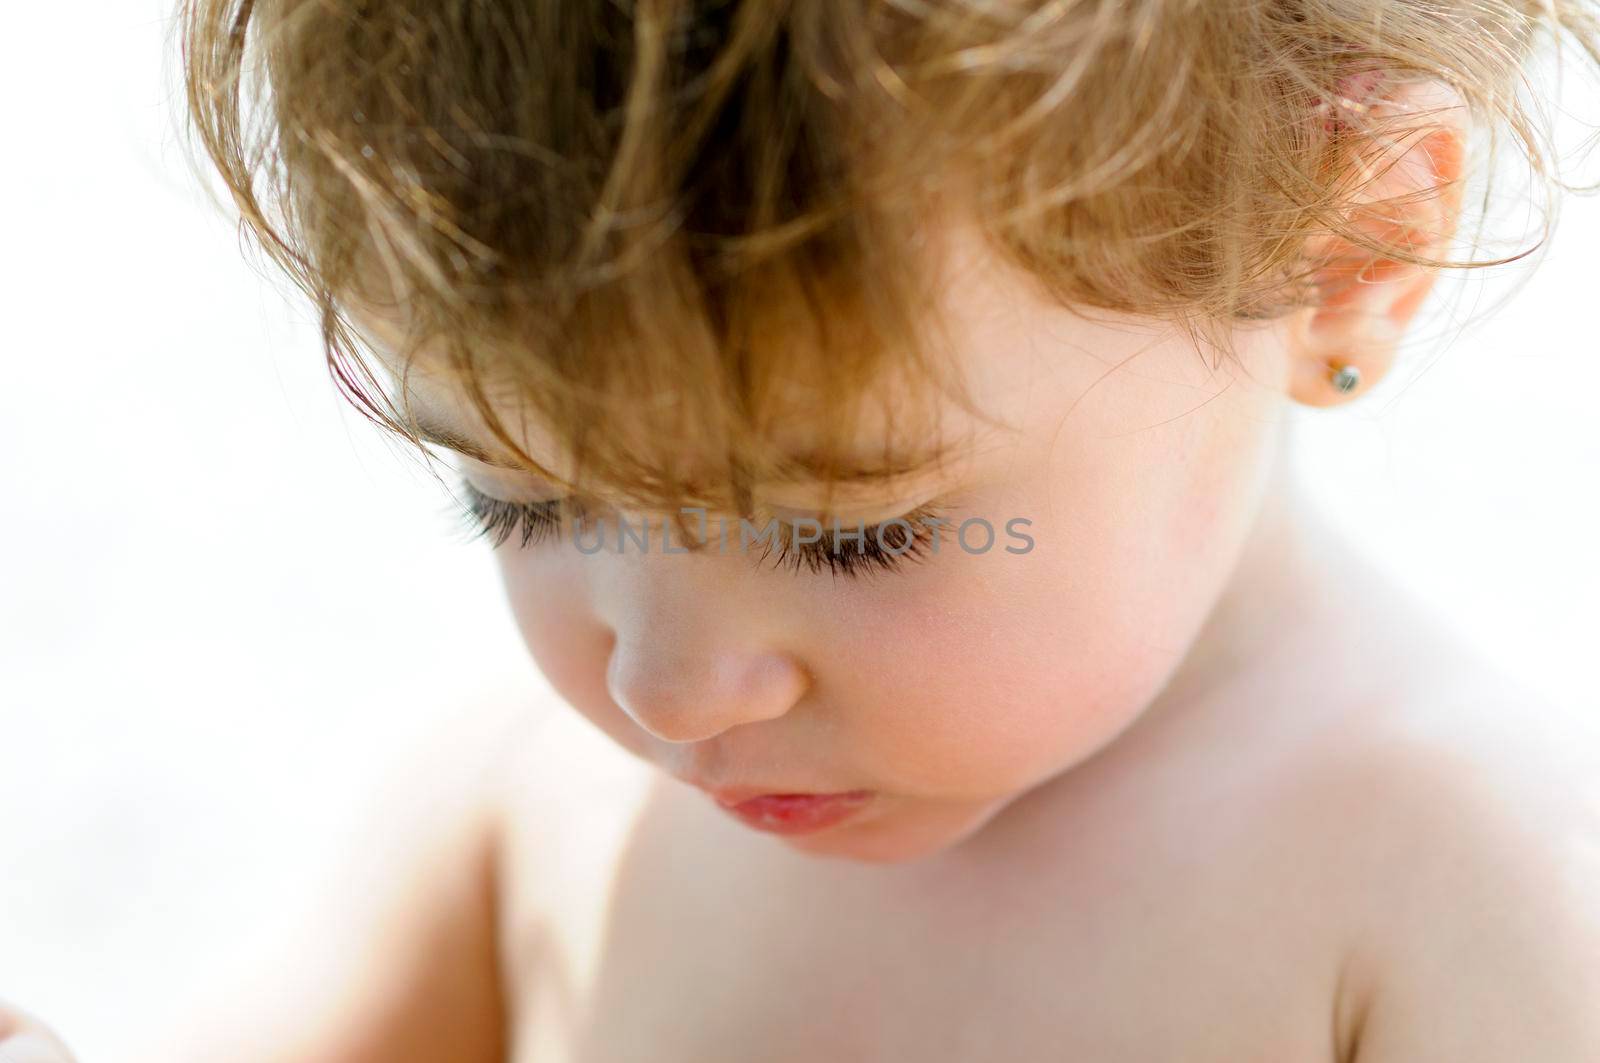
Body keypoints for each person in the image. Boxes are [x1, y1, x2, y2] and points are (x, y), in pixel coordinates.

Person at [12, 1, 1600, 1059]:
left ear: (1345, 257)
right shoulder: (528, 806)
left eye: (848, 538)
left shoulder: (1463, 903)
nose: (666, 687)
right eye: (522, 495)